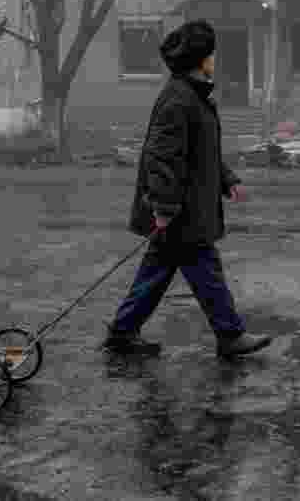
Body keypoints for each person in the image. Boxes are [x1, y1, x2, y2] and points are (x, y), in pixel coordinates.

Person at [103, 20, 273, 359]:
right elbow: (162, 158)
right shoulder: (178, 100)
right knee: (205, 271)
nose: (214, 60)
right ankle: (229, 335)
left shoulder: (191, 96)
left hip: (183, 209)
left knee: (156, 273)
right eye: (210, 55)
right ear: (200, 60)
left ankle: (122, 333)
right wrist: (163, 208)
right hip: (181, 211)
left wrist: (228, 180)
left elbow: (201, 153)